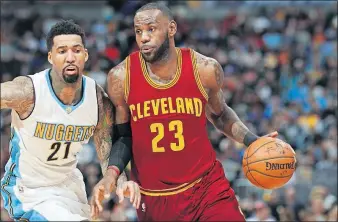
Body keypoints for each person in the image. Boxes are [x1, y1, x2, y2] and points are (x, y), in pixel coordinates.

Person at [91, 2, 283, 221]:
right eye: (138, 31)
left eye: (151, 29)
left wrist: (252, 140)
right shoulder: (121, 78)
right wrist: (111, 173)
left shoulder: (204, 69)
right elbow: (124, 135)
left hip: (206, 188)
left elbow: (220, 115)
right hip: (155, 197)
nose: (143, 37)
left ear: (171, 29)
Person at [0, 20, 140, 221]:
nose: (70, 57)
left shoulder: (97, 99)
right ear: (50, 57)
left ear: (86, 55)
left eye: (76, 50)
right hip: (29, 189)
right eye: (62, 51)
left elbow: (107, 152)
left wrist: (120, 182)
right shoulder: (27, 92)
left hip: (70, 188)